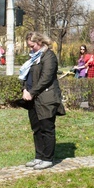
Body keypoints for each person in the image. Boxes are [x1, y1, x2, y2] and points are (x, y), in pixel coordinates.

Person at [21, 31, 66, 170]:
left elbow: (45, 78)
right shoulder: (34, 58)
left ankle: (47, 158)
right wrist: (24, 89)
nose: (30, 48)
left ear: (40, 42)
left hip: (46, 99)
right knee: (36, 129)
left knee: (47, 128)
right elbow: (26, 75)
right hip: (33, 99)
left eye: (32, 45)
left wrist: (32, 92)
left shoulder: (49, 56)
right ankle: (38, 156)